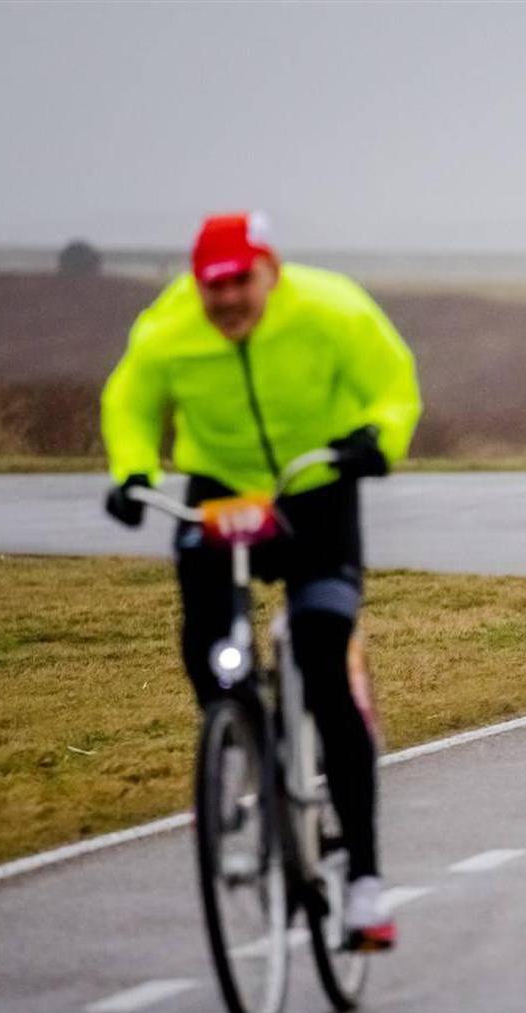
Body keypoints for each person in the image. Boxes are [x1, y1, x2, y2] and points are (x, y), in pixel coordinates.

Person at [100, 212, 421, 951]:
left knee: (319, 654)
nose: (228, 301)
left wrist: (379, 439)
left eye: (241, 281)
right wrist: (132, 473)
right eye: (213, 287)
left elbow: (392, 380)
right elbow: (130, 400)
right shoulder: (169, 327)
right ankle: (240, 742)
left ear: (269, 269)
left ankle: (366, 886)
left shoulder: (331, 308)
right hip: (219, 490)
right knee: (208, 644)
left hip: (315, 483)